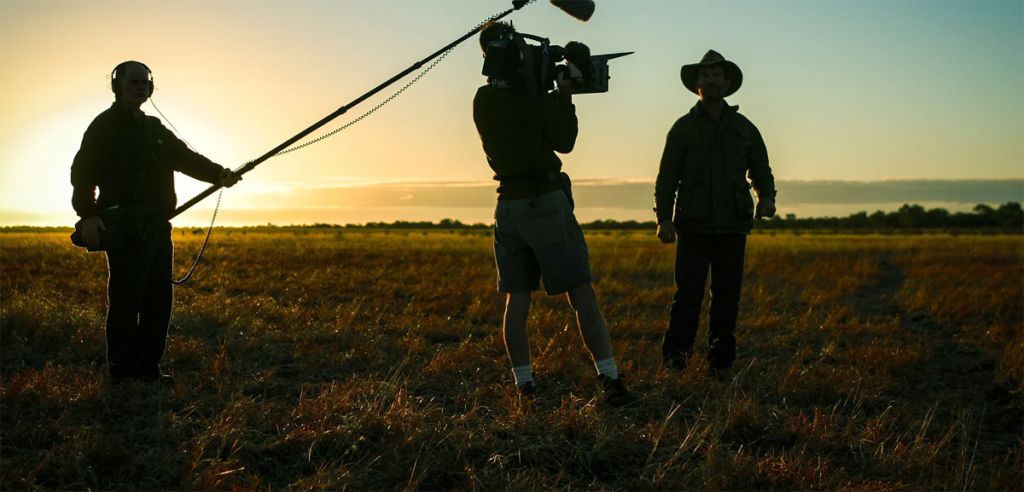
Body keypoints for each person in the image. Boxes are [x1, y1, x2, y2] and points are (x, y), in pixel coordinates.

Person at [472, 23, 638, 407]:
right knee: (581, 291)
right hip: (545, 200)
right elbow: (565, 141)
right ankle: (611, 381)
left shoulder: (483, 100)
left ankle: (525, 387)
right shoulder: (535, 97)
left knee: (518, 299)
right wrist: (562, 93)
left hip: (507, 206)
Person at [70, 61, 240, 383]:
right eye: (132, 81)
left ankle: (148, 369)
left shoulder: (154, 129)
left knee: (159, 301)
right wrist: (88, 214)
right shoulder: (103, 126)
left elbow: (186, 158)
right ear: (117, 86)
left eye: (145, 82)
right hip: (124, 227)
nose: (140, 87)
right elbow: (82, 174)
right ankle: (120, 371)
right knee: (125, 299)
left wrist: (219, 174)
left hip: (158, 226)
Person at [653, 50, 776, 381]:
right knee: (687, 297)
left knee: (727, 298)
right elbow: (667, 178)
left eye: (716, 75)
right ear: (696, 84)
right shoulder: (683, 128)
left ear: (727, 82)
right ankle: (676, 364)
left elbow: (760, 168)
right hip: (693, 225)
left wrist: (766, 198)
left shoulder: (744, 127)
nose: (710, 80)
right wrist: (663, 218)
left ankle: (721, 364)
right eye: (704, 76)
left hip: (733, 225)